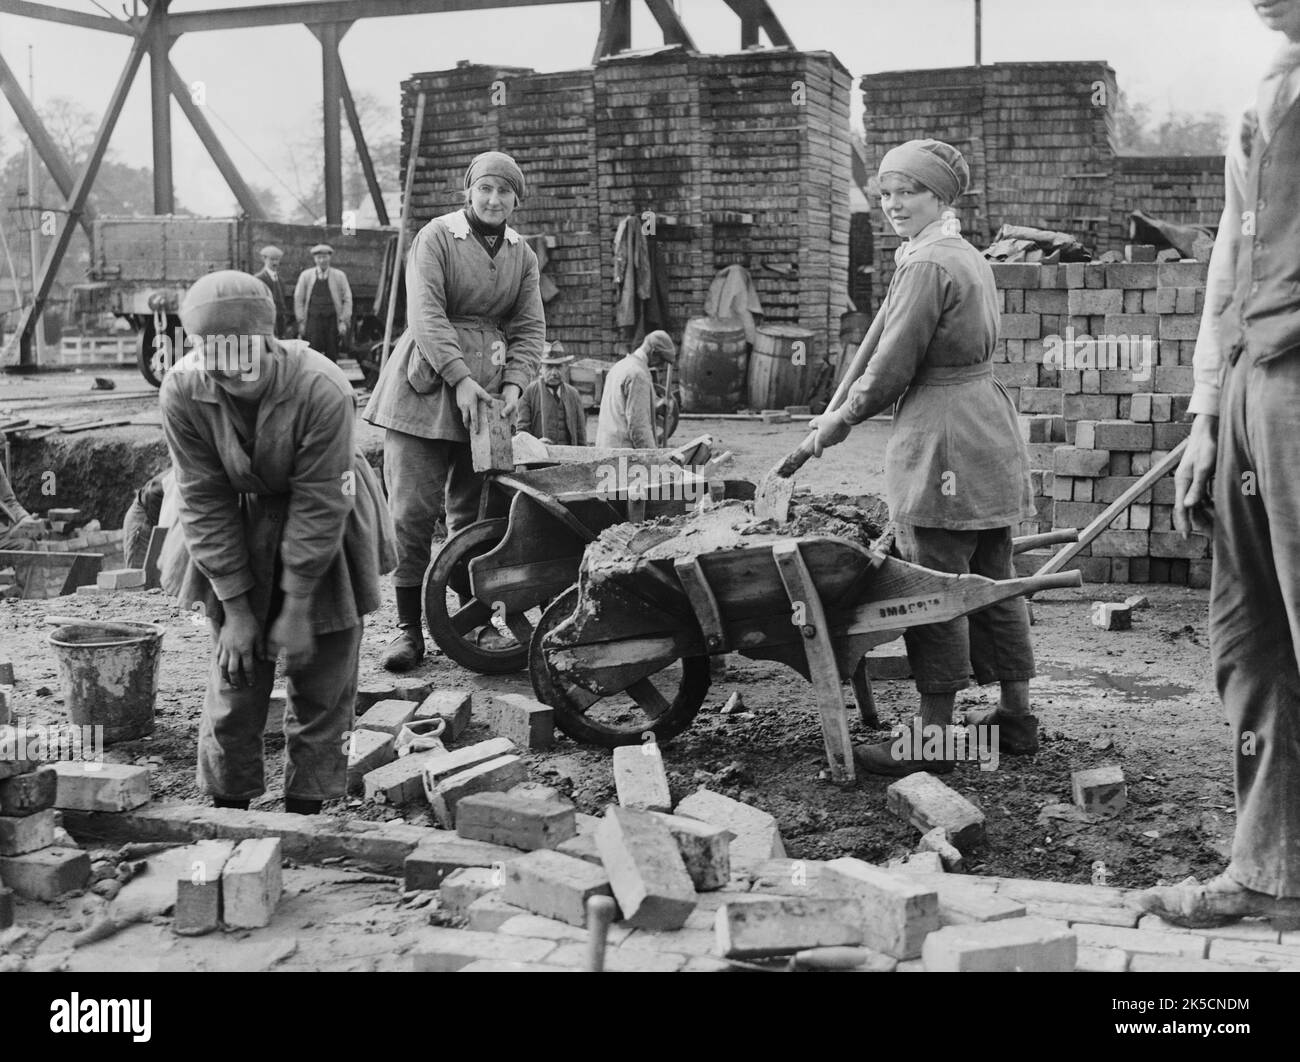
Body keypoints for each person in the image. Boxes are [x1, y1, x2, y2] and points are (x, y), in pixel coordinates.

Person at [1136, 0, 1300, 928]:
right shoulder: (1265, 95)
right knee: (1251, 644)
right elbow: (1229, 264)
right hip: (1249, 384)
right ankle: (1270, 872)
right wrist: (1204, 415)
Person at [808, 138, 1036, 777]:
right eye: (885, 194)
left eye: (907, 191)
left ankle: (933, 740)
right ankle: (1016, 719)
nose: (892, 204)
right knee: (996, 578)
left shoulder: (926, 266)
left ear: (939, 196)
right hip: (987, 427)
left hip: (943, 435)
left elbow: (889, 369)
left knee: (929, 586)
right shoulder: (964, 255)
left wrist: (840, 419)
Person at [158, 270, 395, 814]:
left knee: (324, 667)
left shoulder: (323, 386)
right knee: (235, 668)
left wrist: (297, 602)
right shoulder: (182, 390)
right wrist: (238, 610)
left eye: (241, 349)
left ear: (269, 338)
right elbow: (201, 498)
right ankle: (228, 807)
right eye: (209, 351)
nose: (227, 367)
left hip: (327, 515)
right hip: (236, 520)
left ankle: (307, 809)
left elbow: (319, 502)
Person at [363, 150, 545, 672]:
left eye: (505, 192)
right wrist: (459, 380)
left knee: (475, 514)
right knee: (411, 514)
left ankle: (475, 622)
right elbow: (426, 314)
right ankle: (407, 630)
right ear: (468, 191)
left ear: (516, 200)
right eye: (485, 189)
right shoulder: (436, 238)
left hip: (488, 397)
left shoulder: (521, 254)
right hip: (424, 388)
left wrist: (514, 385)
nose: (493, 200)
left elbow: (530, 328)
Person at [595, 330, 675, 449]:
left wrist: (656, 408)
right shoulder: (638, 375)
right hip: (624, 456)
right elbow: (638, 427)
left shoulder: (619, 366)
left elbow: (623, 409)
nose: (661, 365)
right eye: (662, 360)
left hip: (606, 449)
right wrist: (653, 459)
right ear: (653, 353)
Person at [515, 341, 586, 445]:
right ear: (540, 369)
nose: (554, 373)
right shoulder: (529, 392)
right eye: (549, 367)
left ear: (565, 368)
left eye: (558, 367)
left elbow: (581, 434)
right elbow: (521, 431)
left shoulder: (573, 394)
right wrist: (535, 444)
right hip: (540, 457)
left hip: (568, 457)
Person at [294, 244, 352, 362]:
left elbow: (347, 299)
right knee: (312, 353)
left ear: (329, 258)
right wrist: (301, 321)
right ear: (314, 259)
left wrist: (343, 321)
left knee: (332, 352)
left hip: (332, 321)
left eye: (325, 257)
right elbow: (298, 299)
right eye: (319, 257)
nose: (322, 260)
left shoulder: (339, 276)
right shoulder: (306, 276)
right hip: (313, 321)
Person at [122, 467, 174, 569]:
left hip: (155, 513)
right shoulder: (190, 472)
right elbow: (152, 493)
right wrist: (162, 540)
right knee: (139, 579)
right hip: (144, 518)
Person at [253, 245, 294, 339]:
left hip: (280, 322)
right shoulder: (259, 279)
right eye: (272, 259)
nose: (275, 263)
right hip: (266, 322)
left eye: (277, 260)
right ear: (264, 259)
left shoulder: (280, 280)